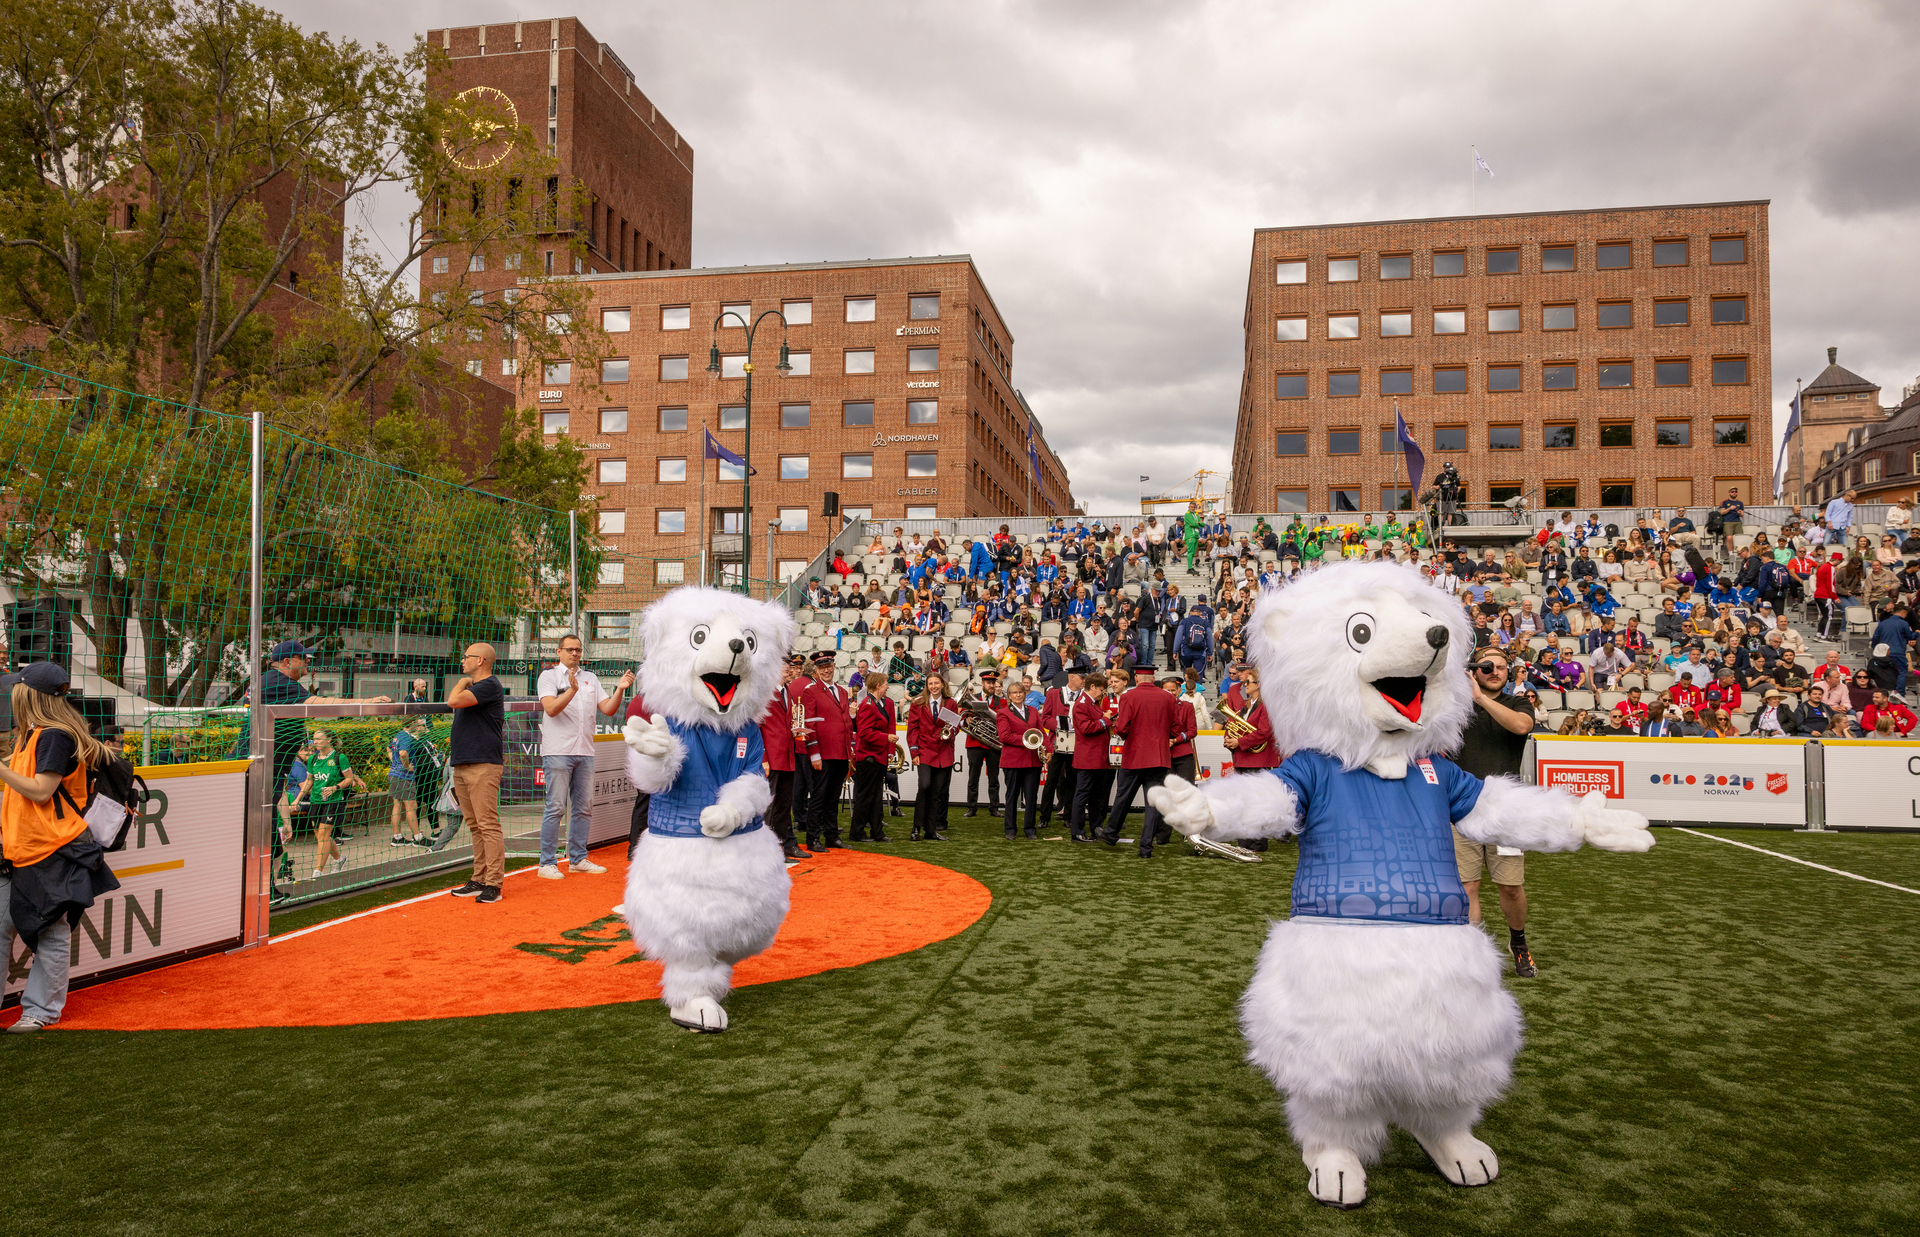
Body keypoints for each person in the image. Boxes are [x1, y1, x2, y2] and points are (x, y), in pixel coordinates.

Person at [0, 662, 122, 1033]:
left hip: (50, 849)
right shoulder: (33, 734)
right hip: (21, 848)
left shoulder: (54, 736)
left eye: (15, 689)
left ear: (28, 695)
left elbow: (41, 790)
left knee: (49, 933)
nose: (10, 695)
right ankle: (40, 1008)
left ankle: (41, 1010)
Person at [1450, 647, 1539, 978]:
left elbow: (1520, 727)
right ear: (1474, 669)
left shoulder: (1517, 702)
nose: (1494, 671)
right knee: (1467, 886)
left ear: (1509, 672)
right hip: (1462, 810)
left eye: (1500, 667)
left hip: (1506, 814)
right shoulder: (1457, 706)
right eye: (1486, 666)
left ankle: (1519, 944)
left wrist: (1481, 698)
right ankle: (1473, 953)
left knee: (1511, 887)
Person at [535, 634, 633, 880]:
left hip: (586, 751)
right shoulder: (548, 676)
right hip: (558, 751)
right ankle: (546, 862)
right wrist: (571, 690)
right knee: (555, 807)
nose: (575, 653)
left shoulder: (591, 677)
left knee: (584, 808)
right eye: (569, 649)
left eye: (578, 649)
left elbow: (608, 709)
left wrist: (619, 689)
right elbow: (551, 709)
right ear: (559, 652)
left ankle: (577, 858)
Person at [447, 642, 507, 903]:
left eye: (466, 657)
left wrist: (462, 682)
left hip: (483, 765)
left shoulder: (490, 685)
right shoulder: (481, 687)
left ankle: (493, 883)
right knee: (474, 826)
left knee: (487, 825)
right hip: (463, 764)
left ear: (480, 660)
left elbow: (453, 701)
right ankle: (479, 878)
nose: (463, 660)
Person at [1102, 665, 1178, 857]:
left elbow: (1122, 728)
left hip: (1135, 755)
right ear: (1153, 679)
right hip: (1159, 757)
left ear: (1136, 678)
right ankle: (1146, 847)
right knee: (1153, 805)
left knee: (1123, 797)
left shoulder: (1129, 697)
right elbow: (1176, 728)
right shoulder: (1168, 697)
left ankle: (1111, 833)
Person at [798, 650, 854, 851]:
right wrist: (814, 753)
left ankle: (832, 836)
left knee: (833, 797)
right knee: (819, 797)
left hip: (840, 752)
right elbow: (808, 724)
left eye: (829, 666)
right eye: (822, 667)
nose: (827, 670)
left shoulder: (842, 691)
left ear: (834, 667)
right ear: (816, 670)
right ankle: (813, 838)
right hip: (822, 753)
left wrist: (849, 751)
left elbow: (846, 722)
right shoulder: (810, 691)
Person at [295, 727, 363, 878]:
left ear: (329, 740)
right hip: (316, 800)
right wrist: (297, 799)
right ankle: (339, 859)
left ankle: (317, 871)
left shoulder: (339, 757)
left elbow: (349, 778)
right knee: (319, 835)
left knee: (324, 835)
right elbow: (310, 780)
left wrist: (335, 787)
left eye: (318, 739)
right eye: (314, 739)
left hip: (334, 801)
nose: (315, 742)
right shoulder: (312, 758)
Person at [759, 654, 809, 860]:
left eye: (788, 665)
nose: (788, 668)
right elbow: (758, 727)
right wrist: (763, 759)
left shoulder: (786, 691)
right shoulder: (766, 692)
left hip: (787, 755)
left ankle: (780, 847)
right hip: (773, 757)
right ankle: (765, 851)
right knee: (769, 807)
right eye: (783, 665)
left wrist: (795, 731)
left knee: (782, 805)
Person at [907, 674, 956, 841]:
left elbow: (953, 727)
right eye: (930, 683)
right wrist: (914, 753)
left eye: (936, 683)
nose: (934, 686)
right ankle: (916, 827)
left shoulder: (951, 703)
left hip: (943, 752)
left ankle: (930, 830)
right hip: (924, 752)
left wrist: (950, 733)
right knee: (925, 786)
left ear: (942, 684)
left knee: (937, 792)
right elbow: (912, 730)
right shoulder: (917, 703)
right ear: (927, 686)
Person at [996, 679, 1046, 839]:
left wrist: (1049, 749)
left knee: (1031, 796)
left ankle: (1030, 829)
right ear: (1009, 696)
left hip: (1033, 761)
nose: (1018, 695)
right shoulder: (1003, 713)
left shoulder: (1032, 710)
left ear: (1024, 694)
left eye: (1020, 692)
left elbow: (1042, 732)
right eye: (1014, 693)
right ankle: (1010, 829)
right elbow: (1004, 736)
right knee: (1012, 795)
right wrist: (1028, 739)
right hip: (1013, 761)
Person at [848, 678, 896, 843]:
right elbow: (865, 733)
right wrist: (886, 737)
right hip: (869, 758)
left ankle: (877, 832)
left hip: (875, 758)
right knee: (866, 797)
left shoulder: (875, 703)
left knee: (875, 797)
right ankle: (857, 832)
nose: (887, 686)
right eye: (885, 684)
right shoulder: (869, 705)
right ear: (878, 686)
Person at [1038, 667, 1084, 829]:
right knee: (1051, 781)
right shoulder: (1054, 693)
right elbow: (1045, 719)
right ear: (1072, 677)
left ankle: (1069, 815)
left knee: (1072, 781)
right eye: (1081, 677)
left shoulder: (1084, 696)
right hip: (1057, 742)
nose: (1084, 680)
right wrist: (1060, 725)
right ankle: (1044, 816)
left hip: (1077, 745)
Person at [963, 668, 1004, 817]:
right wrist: (966, 720)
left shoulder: (1003, 702)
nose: (991, 685)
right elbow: (961, 716)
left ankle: (994, 807)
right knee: (973, 777)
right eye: (988, 682)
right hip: (975, 743)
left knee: (994, 778)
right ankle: (971, 807)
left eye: (993, 682)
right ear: (982, 683)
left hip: (994, 745)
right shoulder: (972, 699)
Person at [385, 717, 431, 847]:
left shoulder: (398, 735)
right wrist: (405, 766)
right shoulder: (406, 737)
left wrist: (394, 762)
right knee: (411, 807)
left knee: (397, 805)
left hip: (393, 774)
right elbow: (403, 753)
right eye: (417, 721)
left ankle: (397, 837)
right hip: (404, 776)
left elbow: (388, 749)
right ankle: (418, 838)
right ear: (412, 723)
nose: (419, 723)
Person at [1871, 603, 1914, 695]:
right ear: (1903, 613)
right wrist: (1917, 633)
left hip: (1884, 655)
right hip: (1898, 653)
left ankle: (1885, 693)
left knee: (1886, 673)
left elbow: (1875, 638)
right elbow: (1910, 636)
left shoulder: (1883, 623)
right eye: (1905, 614)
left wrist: (1876, 649)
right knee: (1901, 672)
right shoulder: (1904, 623)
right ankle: (1899, 693)